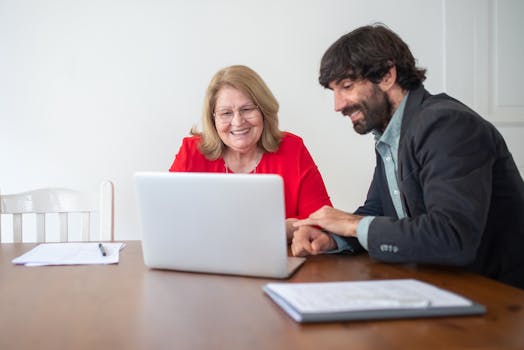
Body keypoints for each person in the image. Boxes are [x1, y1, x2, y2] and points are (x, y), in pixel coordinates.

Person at [291, 24, 524, 289]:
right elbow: (377, 210)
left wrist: (352, 225)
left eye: (346, 86)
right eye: (334, 91)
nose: (338, 105)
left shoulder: (447, 124)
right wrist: (335, 239)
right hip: (439, 286)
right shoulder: (391, 132)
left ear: (387, 76)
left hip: (498, 295)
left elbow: (452, 237)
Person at [170, 65, 332, 241]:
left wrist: (282, 230)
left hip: (278, 260)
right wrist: (279, 228)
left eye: (247, 109)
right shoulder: (191, 152)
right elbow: (167, 218)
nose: (238, 121)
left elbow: (323, 220)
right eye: (226, 113)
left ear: (263, 111)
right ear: (213, 118)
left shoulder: (292, 148)